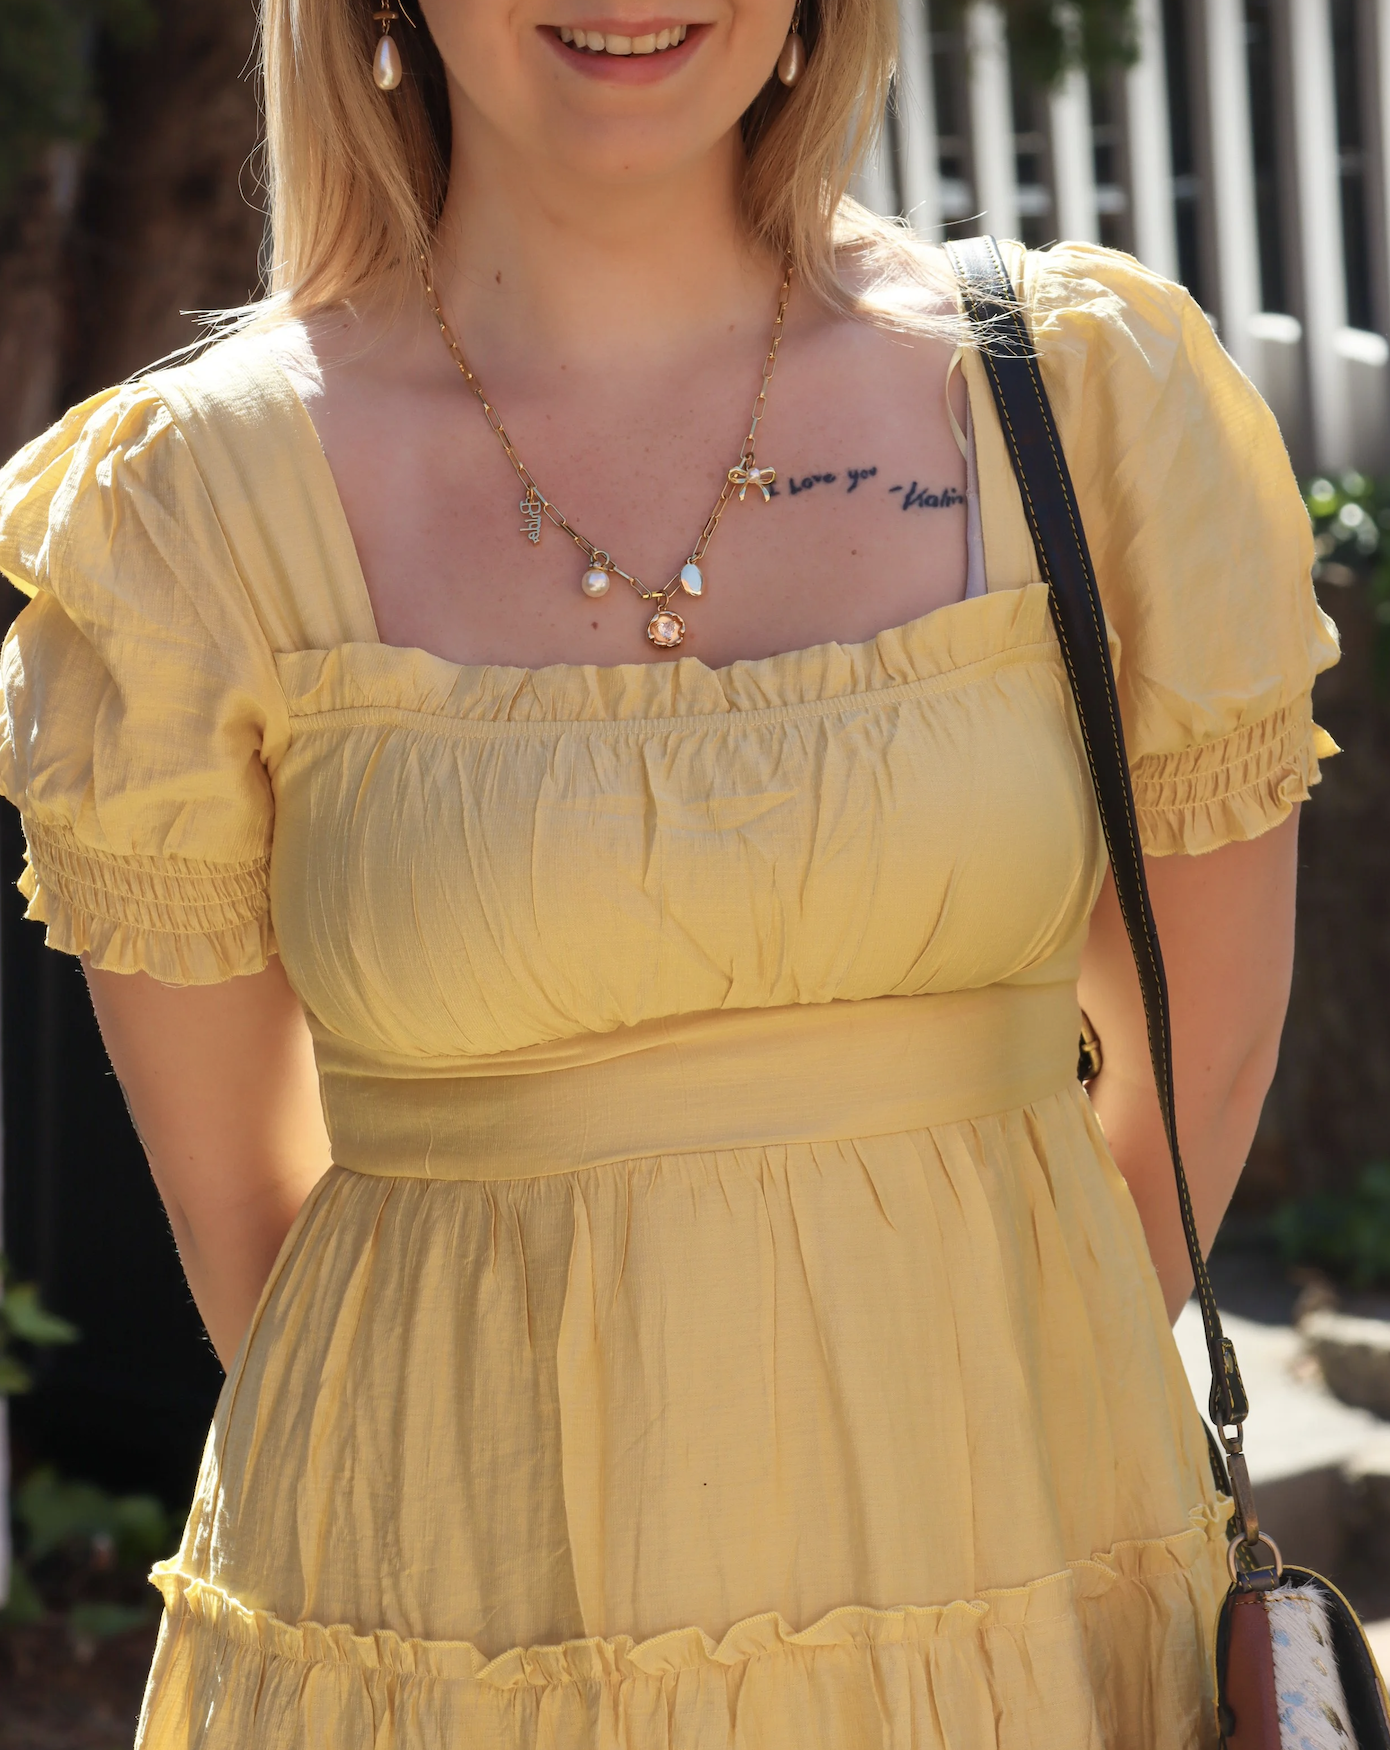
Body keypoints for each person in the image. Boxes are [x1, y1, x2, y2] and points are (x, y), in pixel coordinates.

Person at [0, 0, 1338, 1739]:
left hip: (1029, 1584)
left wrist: (989, 1462)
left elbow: (1202, 1055)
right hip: (447, 1631)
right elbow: (240, 1212)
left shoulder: (1079, 400)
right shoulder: (189, 506)